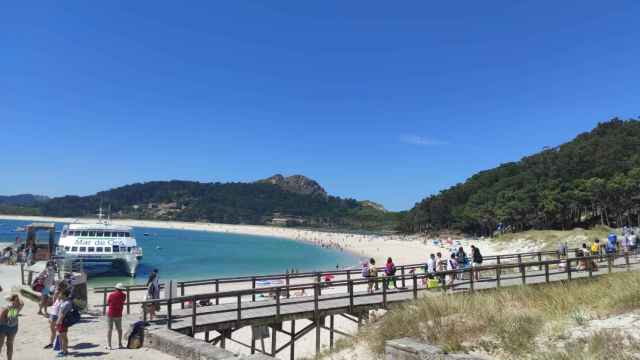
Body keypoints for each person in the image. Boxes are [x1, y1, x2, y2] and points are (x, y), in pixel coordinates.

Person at [0, 294, 24, 360]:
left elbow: (1, 320)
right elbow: (22, 302)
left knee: (0, 344)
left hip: (3, 327)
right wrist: (16, 299)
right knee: (10, 344)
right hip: (13, 327)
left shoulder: (6, 308)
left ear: (10, 300)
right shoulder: (19, 306)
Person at [106, 283, 126, 350]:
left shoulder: (111, 295)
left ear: (115, 288)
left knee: (109, 329)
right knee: (119, 329)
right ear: (122, 289)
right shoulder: (124, 295)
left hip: (111, 314)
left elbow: (108, 303)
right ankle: (120, 344)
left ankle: (109, 345)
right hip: (119, 314)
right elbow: (123, 301)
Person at [56, 289, 73, 357]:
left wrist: (58, 323)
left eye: (60, 294)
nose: (59, 295)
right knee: (63, 336)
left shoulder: (67, 303)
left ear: (64, 295)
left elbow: (62, 315)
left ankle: (64, 351)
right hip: (62, 321)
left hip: (62, 322)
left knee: (63, 336)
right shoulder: (65, 301)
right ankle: (64, 350)